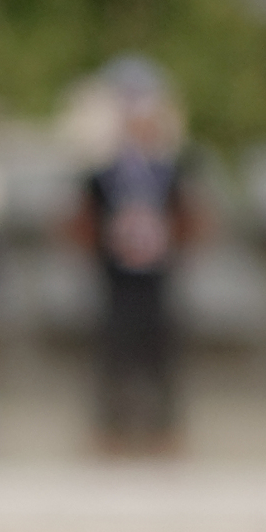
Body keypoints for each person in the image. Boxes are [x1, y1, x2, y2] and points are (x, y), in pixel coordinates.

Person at [73, 58, 198, 457]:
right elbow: (81, 221)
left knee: (160, 356)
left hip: (157, 277)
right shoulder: (103, 174)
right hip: (115, 277)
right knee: (114, 355)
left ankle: (165, 432)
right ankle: (110, 432)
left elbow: (189, 218)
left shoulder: (171, 171)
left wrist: (174, 242)